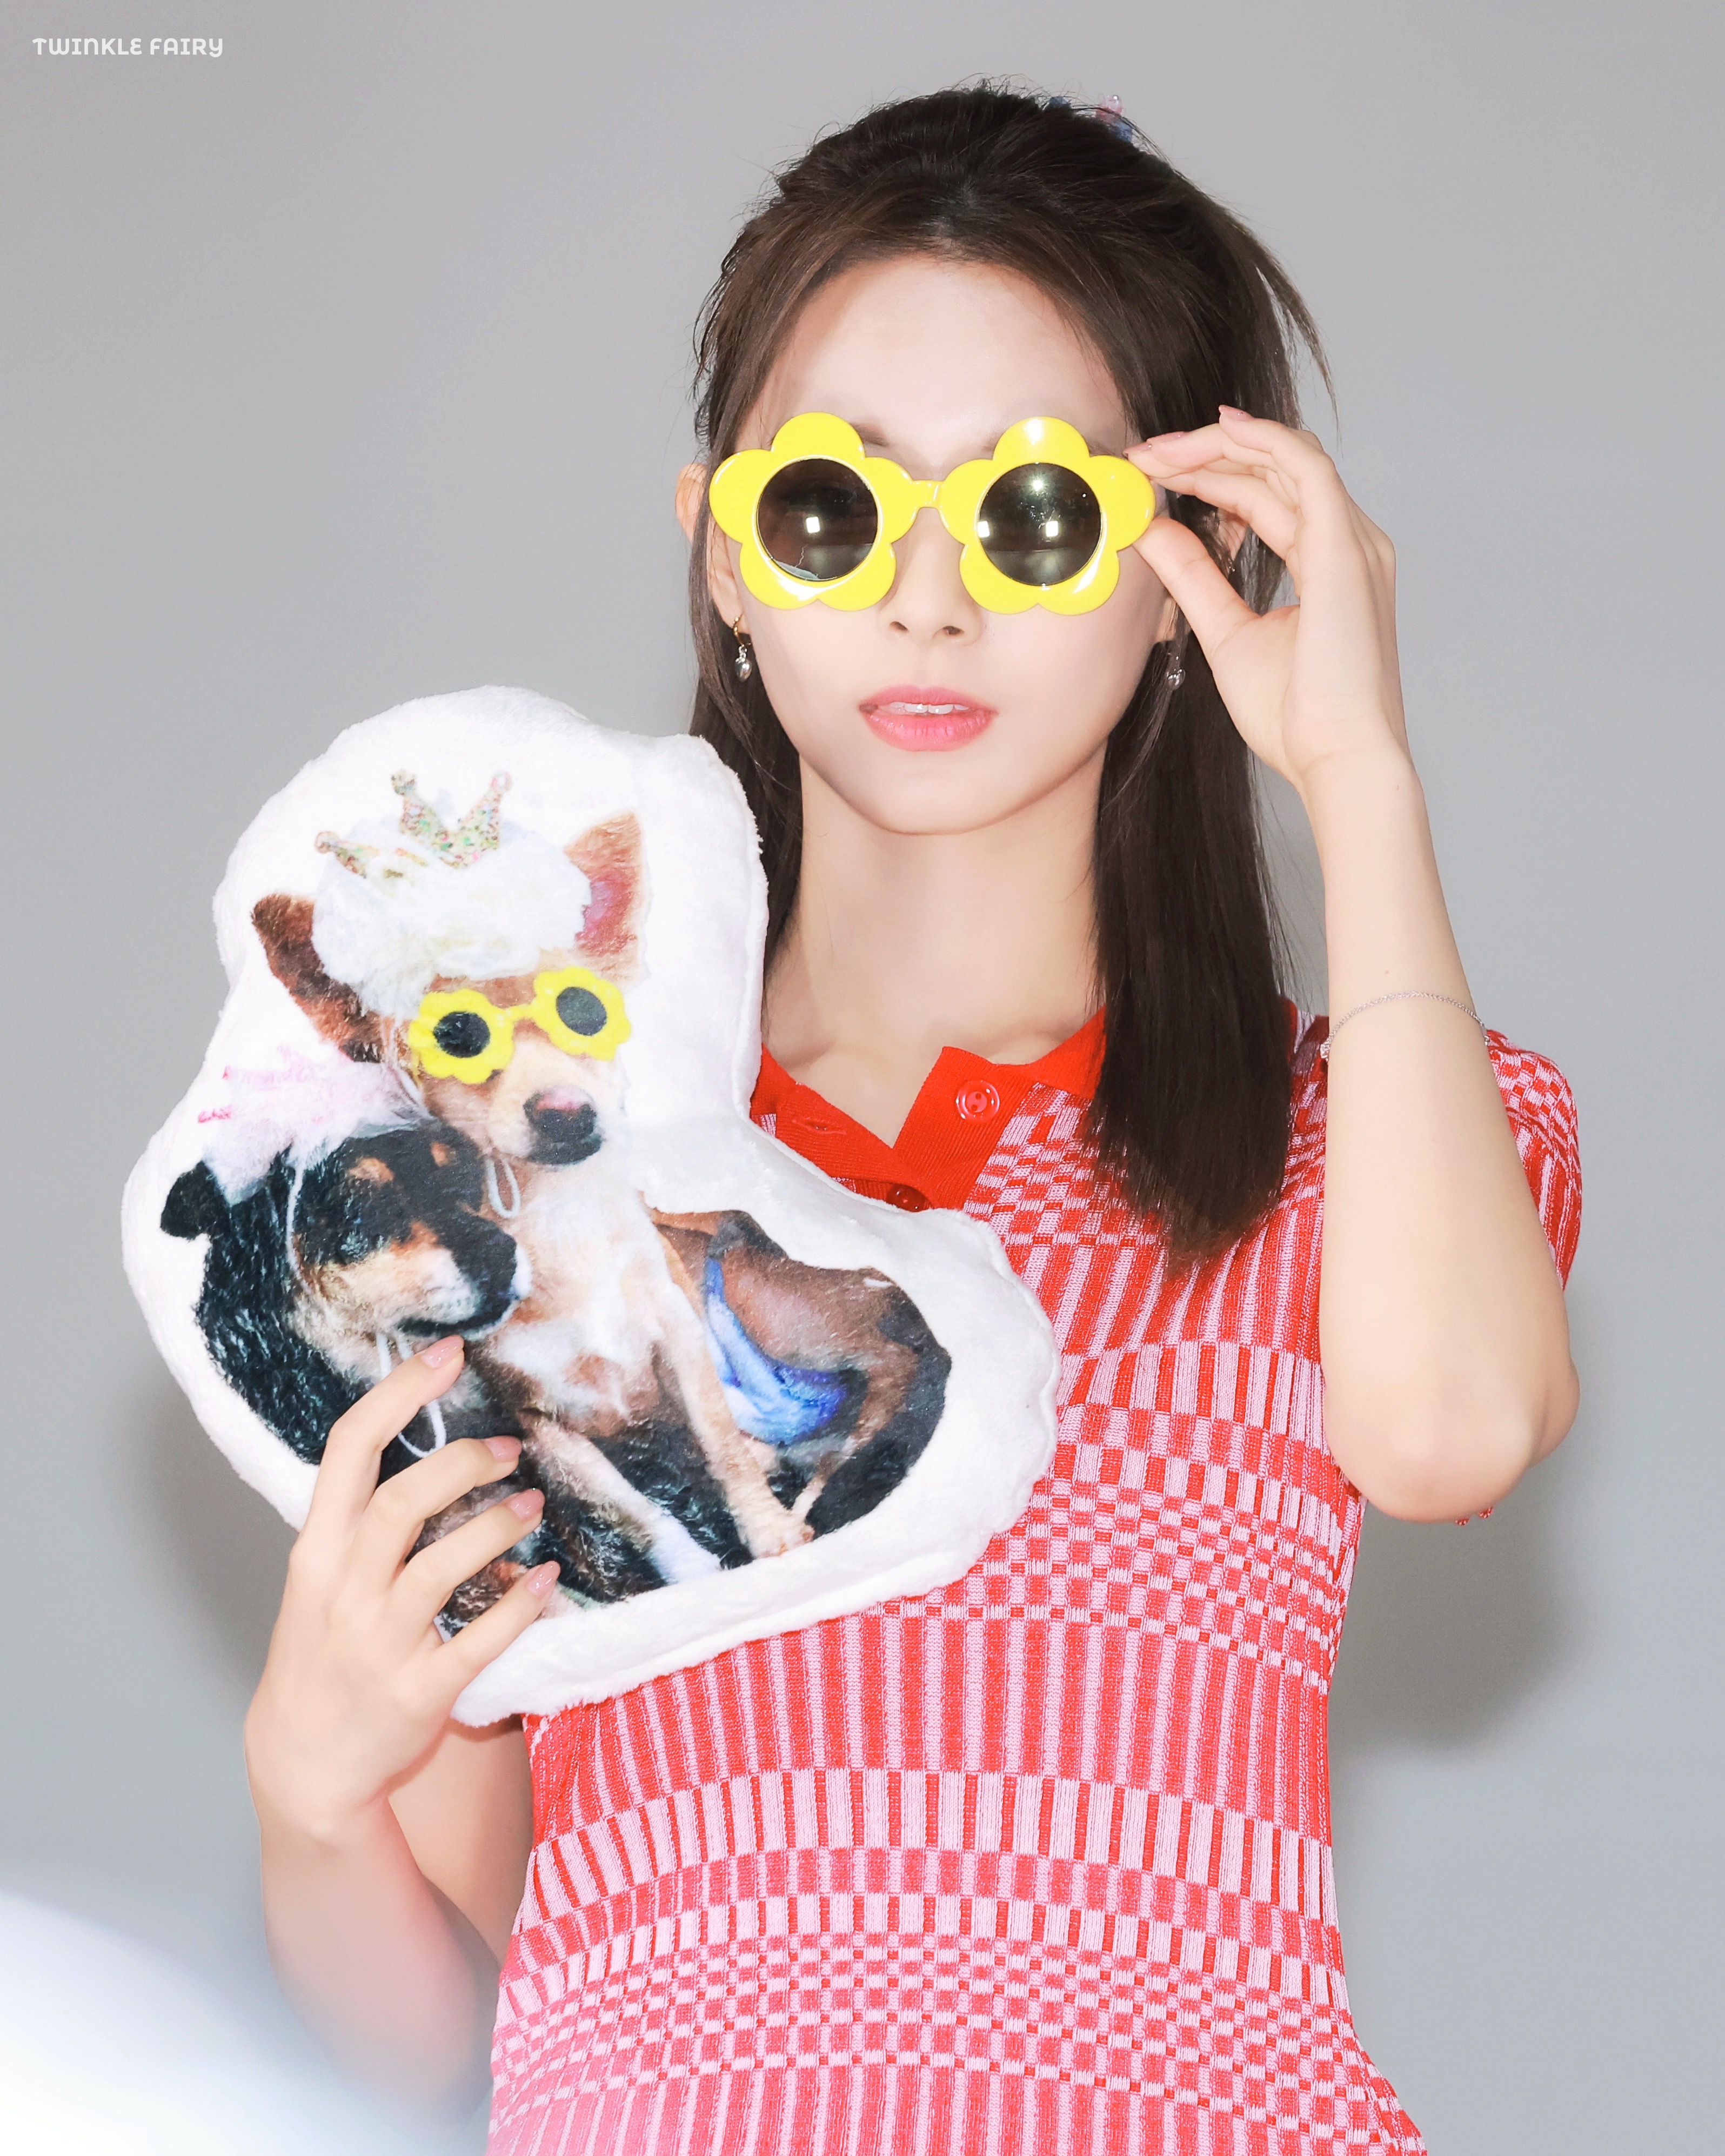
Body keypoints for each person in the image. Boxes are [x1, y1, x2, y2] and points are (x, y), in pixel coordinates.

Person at [242, 85, 1582, 2154]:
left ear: (1187, 576)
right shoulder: (516, 1179)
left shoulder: (1362, 1131)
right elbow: (444, 2037)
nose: (929, 601)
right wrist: (309, 1783)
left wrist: (1359, 776)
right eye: (832, 510)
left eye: (1038, 515)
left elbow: (1449, 1431)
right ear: (726, 556)